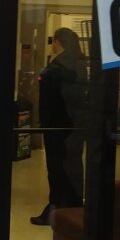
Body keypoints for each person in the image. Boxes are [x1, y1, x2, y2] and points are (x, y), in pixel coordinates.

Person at [31, 27, 87, 226]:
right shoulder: (79, 63)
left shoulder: (58, 67)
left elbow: (55, 98)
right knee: (72, 166)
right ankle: (71, 206)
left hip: (58, 126)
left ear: (57, 41)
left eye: (53, 41)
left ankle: (56, 207)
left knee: (56, 167)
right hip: (75, 126)